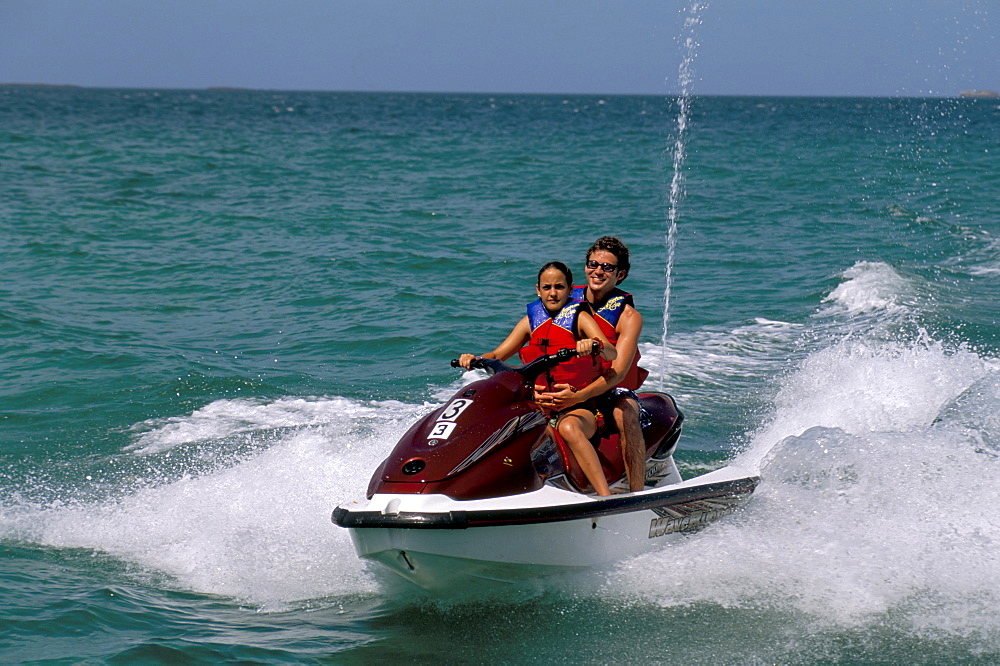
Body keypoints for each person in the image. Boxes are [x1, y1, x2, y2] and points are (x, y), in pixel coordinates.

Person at [458, 261, 619, 496]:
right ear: (538, 290)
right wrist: (474, 358)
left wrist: (594, 344)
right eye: (547, 287)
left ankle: (605, 497)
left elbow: (611, 352)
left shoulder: (580, 318)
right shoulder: (530, 321)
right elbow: (498, 355)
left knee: (570, 428)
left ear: (570, 289)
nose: (552, 293)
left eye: (559, 287)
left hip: (579, 404)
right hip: (539, 404)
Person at [534, 237, 649, 493]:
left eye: (607, 267)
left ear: (621, 274)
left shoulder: (629, 317)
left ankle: (635, 495)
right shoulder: (562, 297)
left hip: (608, 391)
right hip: (566, 384)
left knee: (626, 412)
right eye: (593, 264)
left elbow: (617, 372)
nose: (598, 271)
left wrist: (576, 398)